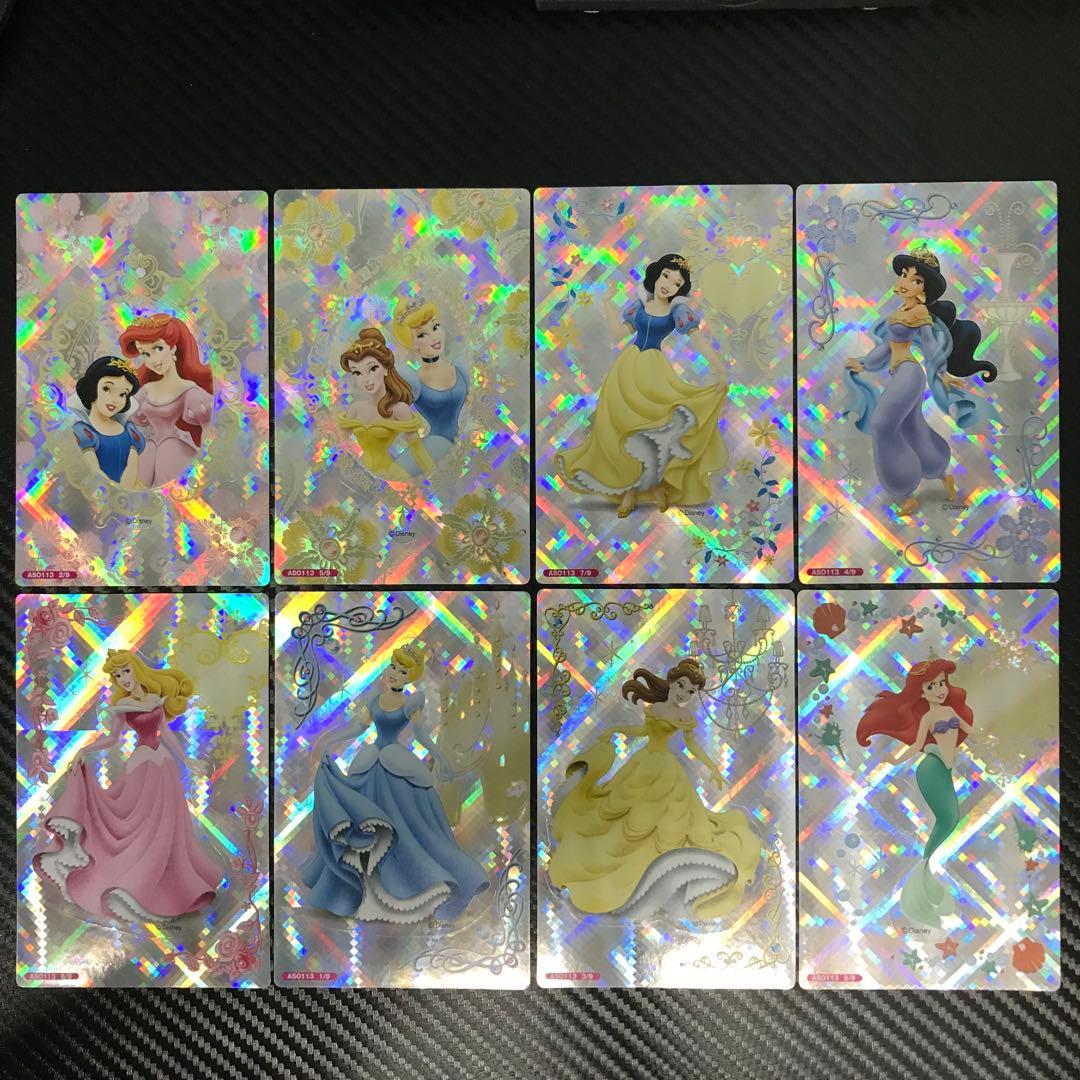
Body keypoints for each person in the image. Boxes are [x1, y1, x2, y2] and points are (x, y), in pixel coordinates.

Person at [549, 657, 759, 920]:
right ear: (672, 682)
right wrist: (616, 729)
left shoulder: (684, 716)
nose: (683, 693)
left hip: (666, 771)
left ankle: (656, 873)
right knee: (623, 814)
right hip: (643, 765)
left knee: (669, 824)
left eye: (690, 691)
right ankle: (608, 865)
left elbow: (692, 746)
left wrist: (712, 768)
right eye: (681, 686)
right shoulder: (657, 708)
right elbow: (641, 731)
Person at [33, 649, 220, 921]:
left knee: (169, 827)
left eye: (126, 671)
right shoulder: (122, 707)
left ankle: (168, 888)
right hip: (142, 764)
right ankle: (128, 881)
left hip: (164, 765)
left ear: (136, 669)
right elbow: (112, 739)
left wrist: (187, 760)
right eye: (118, 676)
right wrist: (84, 750)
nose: (123, 678)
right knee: (137, 823)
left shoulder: (156, 699)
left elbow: (166, 733)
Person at [556, 254, 728, 517]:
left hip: (654, 373)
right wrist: (607, 301)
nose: (668, 284)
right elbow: (618, 334)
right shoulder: (639, 305)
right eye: (666, 276)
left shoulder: (677, 311)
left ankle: (655, 484)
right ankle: (630, 490)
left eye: (676, 283)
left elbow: (698, 340)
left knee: (654, 429)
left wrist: (719, 367)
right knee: (622, 428)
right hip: (625, 372)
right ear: (657, 275)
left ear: (680, 289)